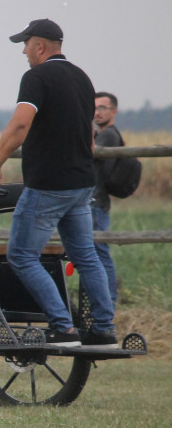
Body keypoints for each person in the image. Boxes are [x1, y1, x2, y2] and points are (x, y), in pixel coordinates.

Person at [0, 19, 117, 348]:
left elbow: (19, 125)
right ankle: (103, 329)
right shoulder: (82, 78)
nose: (24, 52)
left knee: (22, 256)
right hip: (82, 183)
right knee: (86, 256)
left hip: (49, 185)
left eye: (25, 45)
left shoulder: (36, 77)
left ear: (39, 46)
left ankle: (63, 327)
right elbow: (87, 135)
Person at [92, 91, 121, 304]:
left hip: (96, 201)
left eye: (102, 108)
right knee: (97, 250)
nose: (97, 112)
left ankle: (109, 300)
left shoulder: (108, 135)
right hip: (97, 201)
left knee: (100, 251)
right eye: (94, 108)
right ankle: (105, 300)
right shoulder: (101, 134)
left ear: (114, 111)